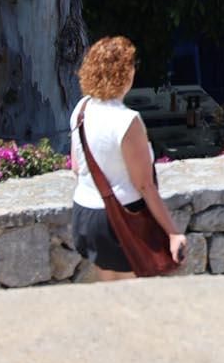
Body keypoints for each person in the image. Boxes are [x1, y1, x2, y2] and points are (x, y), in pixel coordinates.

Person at [70, 36, 188, 281]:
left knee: (109, 290)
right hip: (121, 219)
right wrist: (173, 232)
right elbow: (144, 185)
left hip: (85, 215)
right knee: (132, 299)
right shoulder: (127, 121)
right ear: (125, 73)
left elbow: (76, 166)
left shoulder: (82, 108)